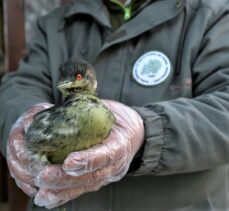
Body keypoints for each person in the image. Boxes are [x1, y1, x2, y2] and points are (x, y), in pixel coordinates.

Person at [1, 0, 229, 210]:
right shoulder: (58, 22)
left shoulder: (212, 14)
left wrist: (148, 132)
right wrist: (23, 121)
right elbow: (21, 85)